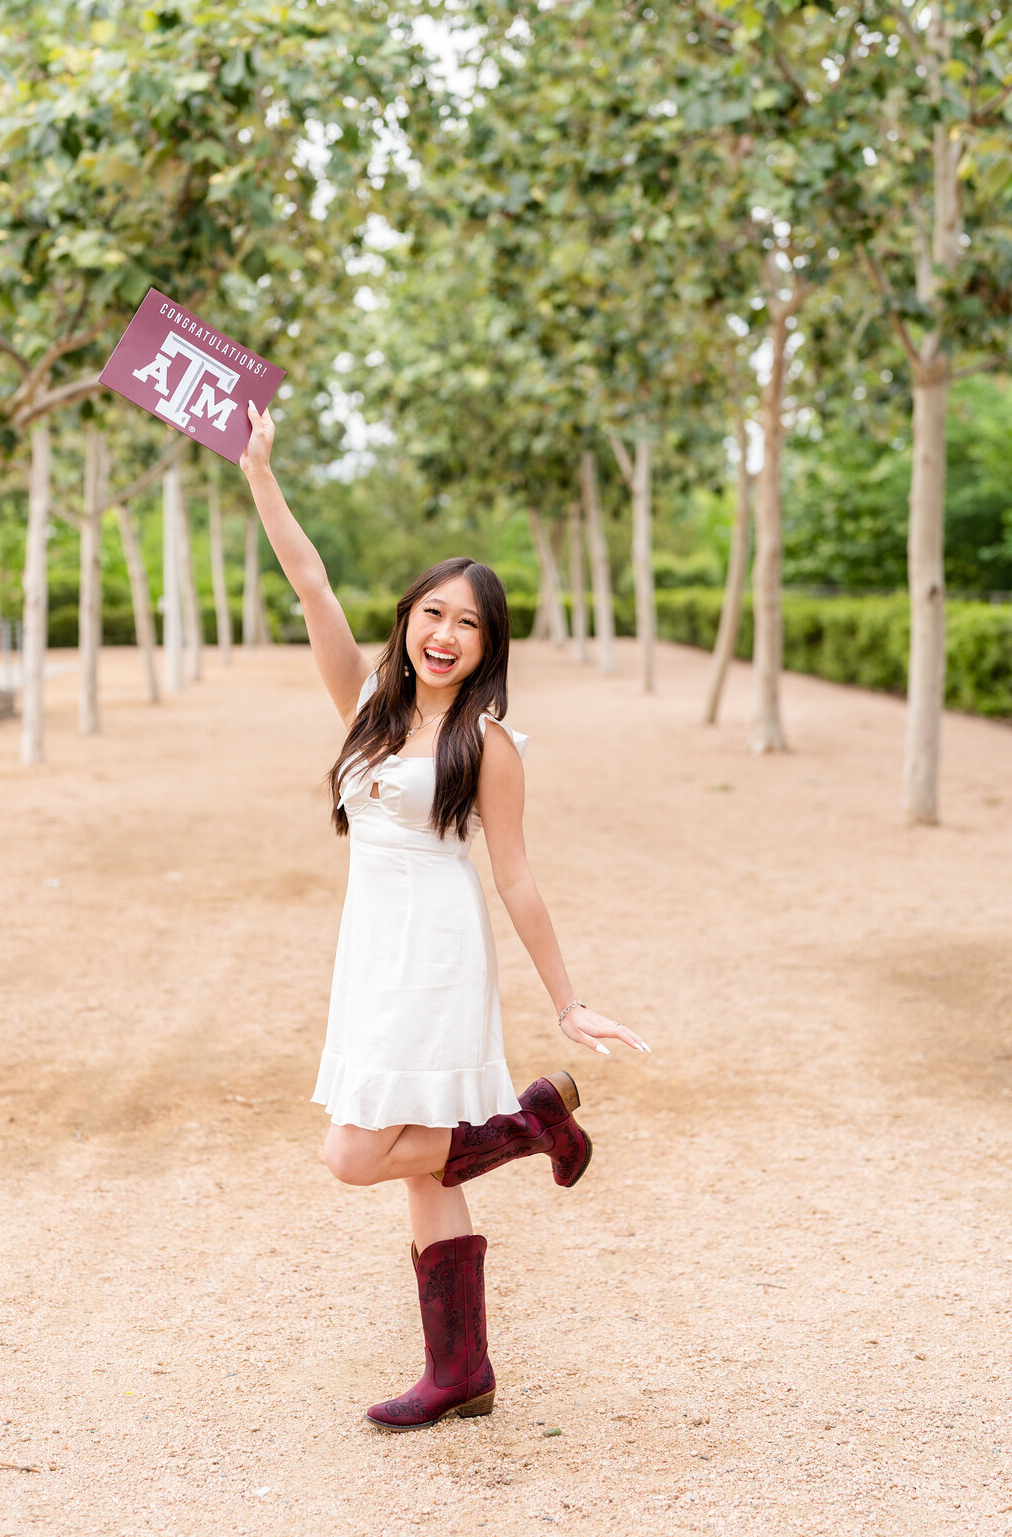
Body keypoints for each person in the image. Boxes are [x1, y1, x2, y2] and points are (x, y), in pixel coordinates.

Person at [239, 400, 650, 1430]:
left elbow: (513, 875)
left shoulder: (491, 745)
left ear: (486, 646)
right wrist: (259, 474)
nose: (446, 635)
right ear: (409, 617)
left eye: (468, 624)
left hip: (434, 950)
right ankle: (460, 1369)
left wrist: (571, 1002)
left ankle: (520, 1125)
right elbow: (309, 581)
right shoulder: (368, 706)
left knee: (354, 1154)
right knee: (417, 1162)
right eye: (434, 613)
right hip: (370, 949)